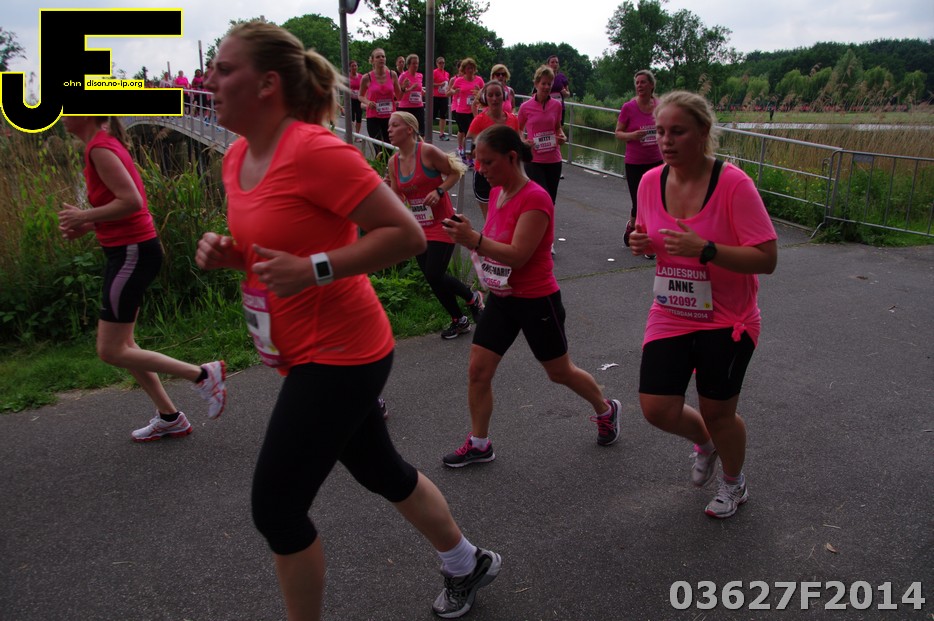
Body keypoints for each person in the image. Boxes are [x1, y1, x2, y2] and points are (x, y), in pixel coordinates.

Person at [197, 21, 501, 619]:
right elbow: (280, 242)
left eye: (224, 69)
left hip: (341, 352)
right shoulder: (237, 157)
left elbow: (406, 234)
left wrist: (313, 269)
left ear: (267, 84)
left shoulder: (314, 151)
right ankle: (467, 562)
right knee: (381, 470)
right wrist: (236, 256)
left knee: (277, 509)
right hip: (299, 351)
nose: (209, 81)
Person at [627, 91, 778, 519]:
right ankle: (707, 444)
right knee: (657, 408)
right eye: (660, 131)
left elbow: (767, 259)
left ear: (703, 132)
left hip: (727, 318)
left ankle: (733, 482)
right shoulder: (649, 181)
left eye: (677, 131)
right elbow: (647, 236)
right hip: (671, 310)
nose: (665, 141)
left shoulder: (733, 184)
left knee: (718, 411)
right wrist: (638, 243)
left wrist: (706, 249)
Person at [441, 125, 622, 468]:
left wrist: (474, 239)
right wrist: (474, 240)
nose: (480, 169)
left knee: (559, 372)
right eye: (477, 161)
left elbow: (518, 255)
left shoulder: (535, 198)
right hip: (502, 298)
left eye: (488, 162)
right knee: (478, 370)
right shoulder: (497, 192)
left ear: (512, 157)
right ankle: (480, 443)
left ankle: (605, 408)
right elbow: (495, 242)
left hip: (537, 300)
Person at [56, 116, 227, 442]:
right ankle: (170, 417)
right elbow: (125, 204)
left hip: (131, 253)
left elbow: (132, 201)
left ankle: (202, 375)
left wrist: (84, 215)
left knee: (110, 350)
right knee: (125, 346)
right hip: (129, 251)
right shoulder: (102, 144)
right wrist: (89, 224)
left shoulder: (99, 148)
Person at [388, 111, 484, 338]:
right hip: (419, 227)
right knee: (433, 278)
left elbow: (456, 172)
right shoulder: (393, 162)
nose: (389, 130)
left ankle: (472, 298)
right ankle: (459, 320)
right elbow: (397, 195)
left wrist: (439, 191)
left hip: (443, 224)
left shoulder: (427, 152)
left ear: (409, 129)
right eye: (389, 126)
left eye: (394, 125)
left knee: (433, 273)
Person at [614, 69, 663, 255]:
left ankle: (648, 241)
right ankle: (633, 227)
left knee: (655, 201)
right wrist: (633, 135)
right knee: (639, 202)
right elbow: (618, 133)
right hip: (635, 162)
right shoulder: (629, 107)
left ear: (651, 85)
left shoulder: (659, 106)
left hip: (656, 160)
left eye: (643, 82)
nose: (640, 86)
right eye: (637, 83)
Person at [518, 65, 566, 256]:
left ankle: (548, 240)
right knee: (541, 198)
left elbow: (558, 128)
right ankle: (537, 238)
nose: (546, 87)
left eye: (549, 84)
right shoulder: (525, 107)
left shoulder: (556, 106)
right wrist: (524, 142)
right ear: (536, 84)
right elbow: (518, 130)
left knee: (550, 202)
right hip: (534, 160)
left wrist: (562, 137)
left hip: (553, 159)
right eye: (543, 83)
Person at [465, 81, 519, 220]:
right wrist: (471, 152)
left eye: (497, 94)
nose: (494, 98)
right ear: (485, 97)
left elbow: (519, 143)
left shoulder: (513, 120)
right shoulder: (479, 120)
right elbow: (468, 143)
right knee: (491, 220)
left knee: (507, 217)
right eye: (490, 95)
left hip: (507, 175)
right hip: (485, 175)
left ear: (504, 96)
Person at [359, 48, 401, 145]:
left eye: (383, 56)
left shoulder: (393, 75)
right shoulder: (366, 77)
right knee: (378, 148)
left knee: (390, 146)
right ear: (372, 60)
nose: (381, 58)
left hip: (390, 117)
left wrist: (404, 89)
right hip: (373, 117)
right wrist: (368, 102)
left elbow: (399, 96)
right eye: (378, 57)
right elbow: (360, 96)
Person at [449, 58, 484, 163]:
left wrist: (479, 91)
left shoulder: (479, 80)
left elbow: (485, 92)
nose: (470, 70)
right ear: (464, 69)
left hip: (473, 111)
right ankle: (468, 155)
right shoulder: (459, 80)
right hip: (461, 111)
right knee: (468, 134)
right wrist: (454, 91)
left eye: (472, 68)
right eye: (468, 68)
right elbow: (450, 90)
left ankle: (467, 153)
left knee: (472, 135)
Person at [398, 54, 426, 136]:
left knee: (421, 131)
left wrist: (425, 93)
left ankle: (420, 144)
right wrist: (409, 88)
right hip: (406, 107)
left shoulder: (420, 76)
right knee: (406, 132)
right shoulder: (403, 76)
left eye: (417, 63)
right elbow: (398, 93)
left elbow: (419, 90)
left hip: (418, 106)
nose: (416, 65)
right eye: (413, 63)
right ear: (408, 65)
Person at [546, 55, 570, 125]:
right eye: (552, 62)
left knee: (559, 128)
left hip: (560, 108)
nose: (555, 64)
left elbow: (568, 93)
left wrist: (565, 93)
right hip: (547, 107)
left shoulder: (561, 77)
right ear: (548, 64)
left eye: (557, 62)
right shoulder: (544, 77)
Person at [432, 56, 451, 140]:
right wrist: (440, 84)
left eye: (443, 63)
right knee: (432, 115)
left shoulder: (447, 73)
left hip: (444, 96)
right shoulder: (434, 72)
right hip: (435, 96)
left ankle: (442, 133)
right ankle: (426, 131)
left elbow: (447, 84)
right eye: (440, 63)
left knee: (443, 115)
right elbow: (430, 83)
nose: (442, 64)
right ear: (437, 64)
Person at [348, 59, 363, 139]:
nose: (354, 67)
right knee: (351, 117)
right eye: (352, 66)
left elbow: (364, 87)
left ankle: (357, 135)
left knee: (359, 117)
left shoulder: (361, 76)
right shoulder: (347, 77)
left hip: (359, 99)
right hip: (350, 100)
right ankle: (350, 133)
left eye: (355, 66)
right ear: (349, 68)